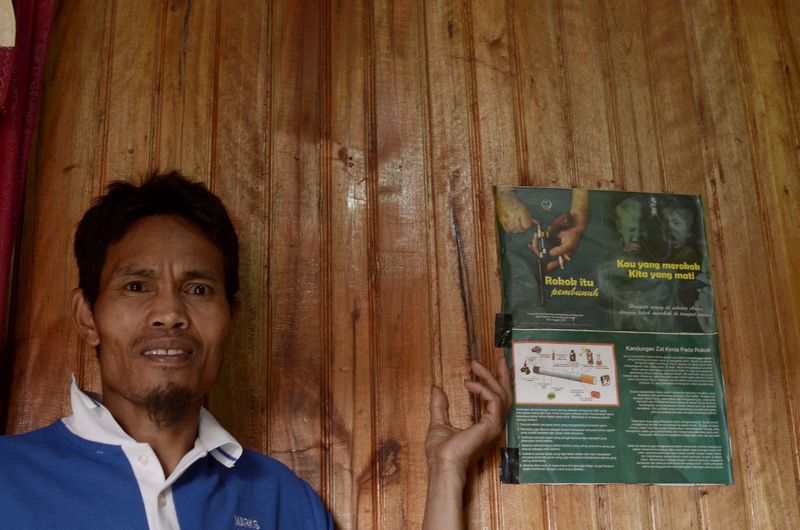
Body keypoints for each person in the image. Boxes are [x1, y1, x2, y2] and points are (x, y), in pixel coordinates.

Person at [0, 171, 510, 529]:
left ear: (231, 316)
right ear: (87, 315)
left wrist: (447, 470)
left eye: (199, 289)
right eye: (137, 286)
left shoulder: (283, 501)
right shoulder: (10, 479)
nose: (170, 313)